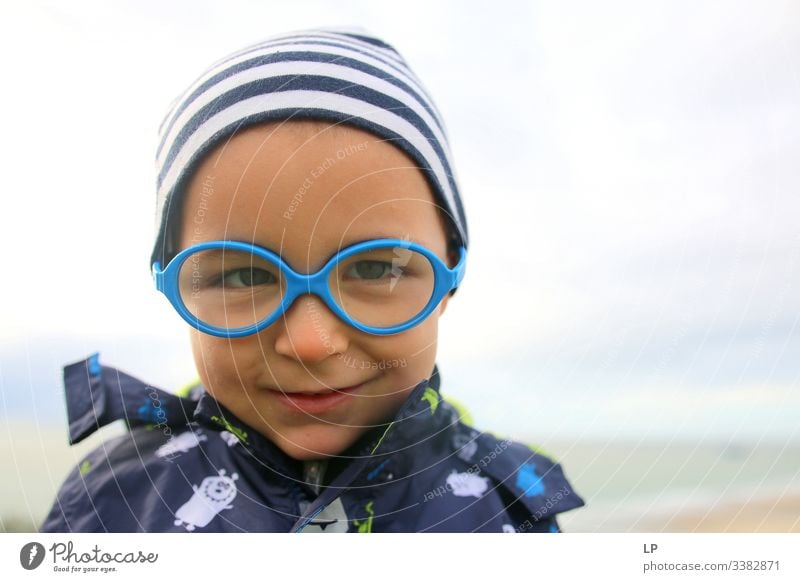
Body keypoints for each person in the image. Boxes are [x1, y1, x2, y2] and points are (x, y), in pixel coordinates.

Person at [40, 27, 584, 533]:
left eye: (374, 268)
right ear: (170, 279)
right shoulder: (107, 501)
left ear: (450, 276)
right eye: (243, 275)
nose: (308, 343)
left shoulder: (512, 513)